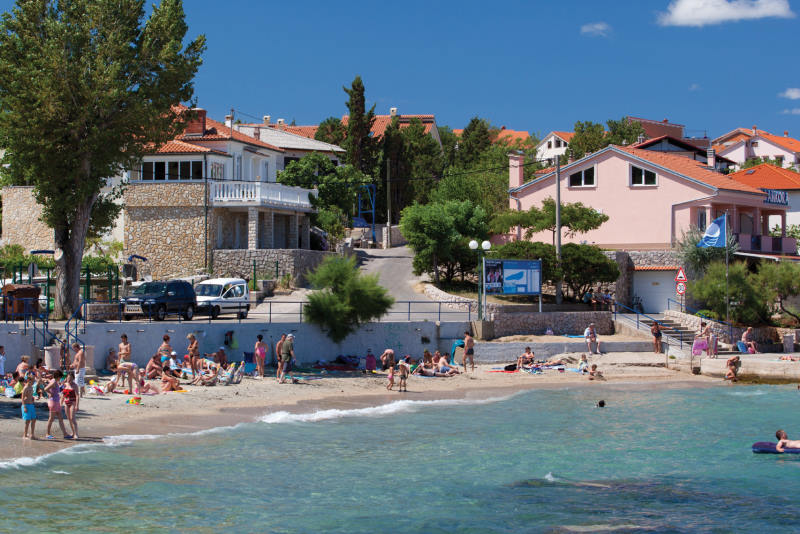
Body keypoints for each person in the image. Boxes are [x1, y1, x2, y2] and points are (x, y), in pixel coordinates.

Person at [44, 370, 71, 440]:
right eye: (60, 377)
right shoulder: (53, 381)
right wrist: (50, 394)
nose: (61, 378)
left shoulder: (54, 381)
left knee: (60, 418)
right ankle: (47, 434)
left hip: (56, 402)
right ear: (58, 376)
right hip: (53, 402)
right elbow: (45, 388)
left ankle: (65, 433)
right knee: (51, 419)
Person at [61, 371, 79, 439]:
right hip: (66, 403)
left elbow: (77, 396)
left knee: (72, 418)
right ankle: (73, 432)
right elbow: (63, 394)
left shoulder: (75, 385)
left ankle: (76, 433)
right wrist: (61, 403)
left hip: (72, 402)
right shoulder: (65, 384)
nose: (69, 380)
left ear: (73, 378)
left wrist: (77, 405)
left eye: (70, 378)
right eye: (68, 378)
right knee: (69, 419)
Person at [21, 373, 36, 440]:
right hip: (26, 405)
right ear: (28, 380)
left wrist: (32, 398)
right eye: (32, 380)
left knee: (34, 419)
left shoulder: (31, 387)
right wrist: (24, 407)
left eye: (33, 380)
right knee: (27, 421)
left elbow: (30, 395)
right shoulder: (26, 387)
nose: (33, 382)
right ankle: (24, 435)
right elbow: (22, 397)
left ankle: (32, 434)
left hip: (31, 405)